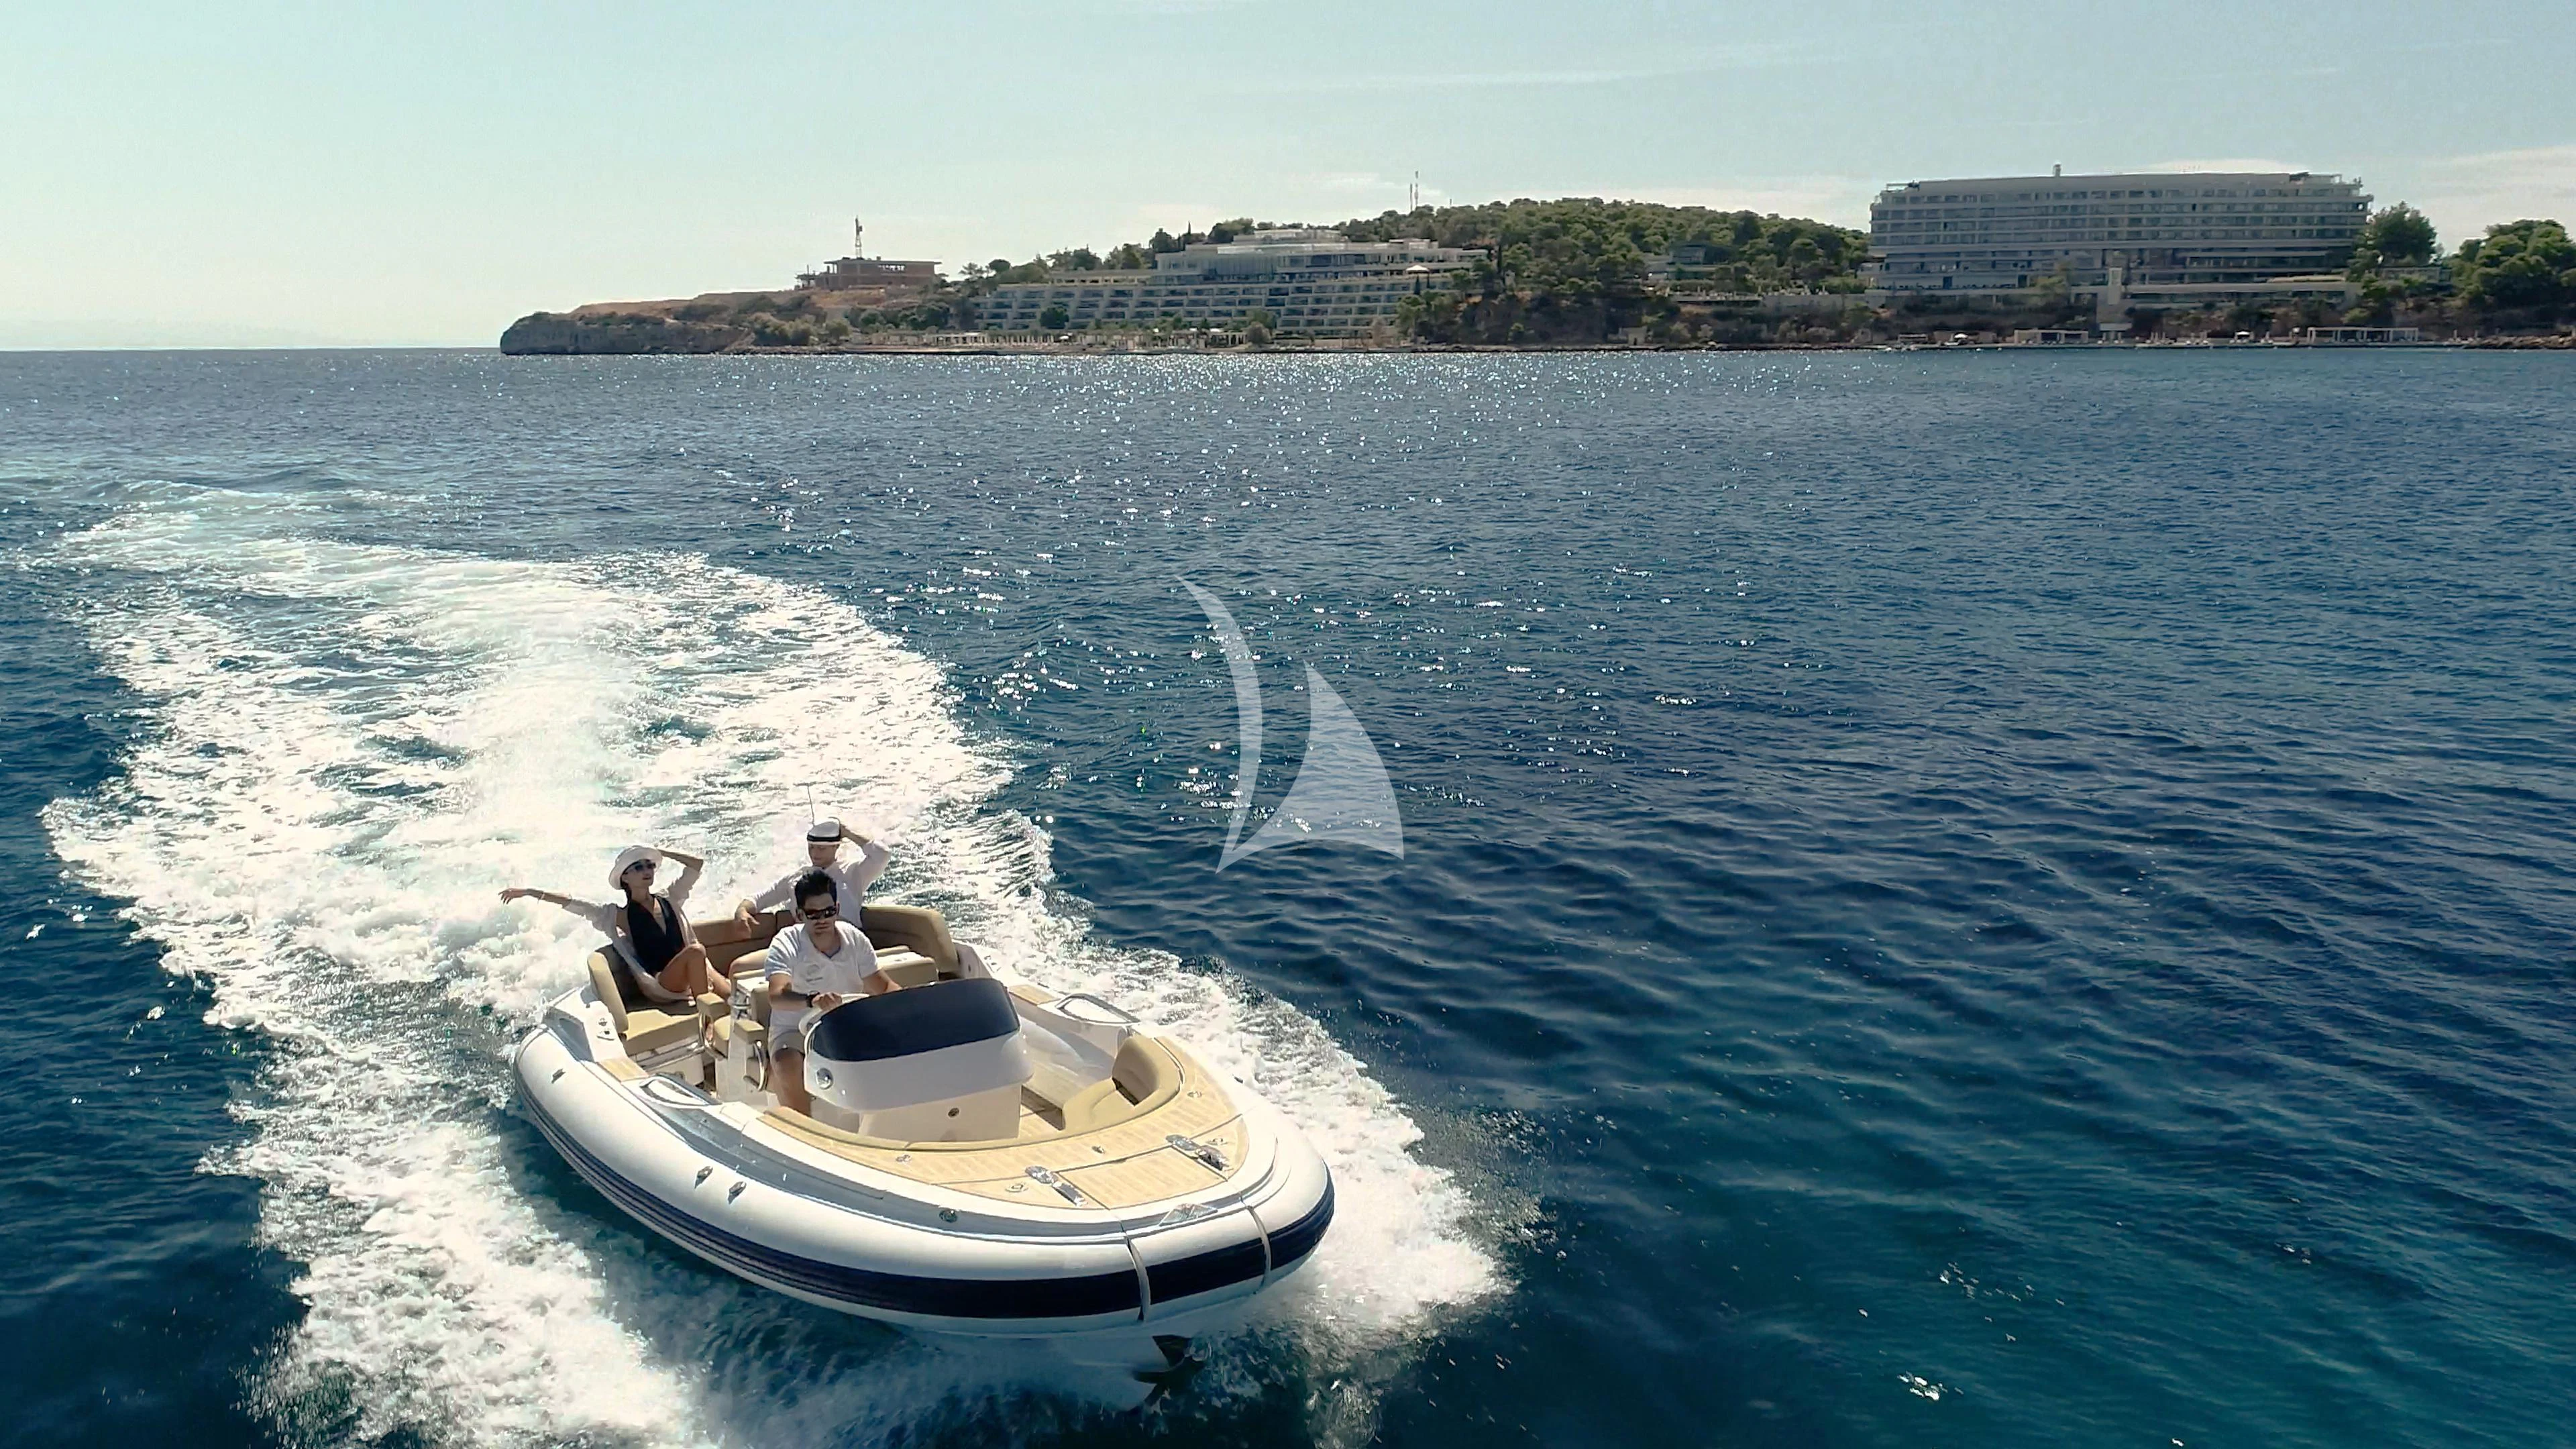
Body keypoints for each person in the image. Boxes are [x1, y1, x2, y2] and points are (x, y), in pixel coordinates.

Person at [501, 845, 721, 1004]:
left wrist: (661, 852)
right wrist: (530, 892)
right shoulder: (617, 916)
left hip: (693, 971)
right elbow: (573, 902)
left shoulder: (669, 898)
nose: (647, 871)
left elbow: (696, 865)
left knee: (735, 994)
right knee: (696, 951)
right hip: (662, 983)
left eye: (650, 865)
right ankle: (706, 1020)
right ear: (624, 878)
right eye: (638, 867)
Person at [763, 868, 897, 1116]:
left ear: (837, 908)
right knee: (786, 1063)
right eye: (813, 914)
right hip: (795, 1032)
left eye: (829, 912)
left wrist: (910, 1006)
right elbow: (777, 995)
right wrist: (811, 1000)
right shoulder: (786, 943)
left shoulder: (855, 940)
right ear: (800, 915)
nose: (822, 920)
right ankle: (804, 1132)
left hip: (848, 1026)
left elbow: (885, 987)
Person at [737, 817, 890, 926]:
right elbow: (760, 898)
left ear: (836, 847)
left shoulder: (854, 873)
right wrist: (742, 910)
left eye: (821, 848)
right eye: (811, 847)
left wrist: (848, 833)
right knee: (740, 967)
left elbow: (882, 855)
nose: (815, 853)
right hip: (806, 948)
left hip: (847, 946)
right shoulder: (797, 878)